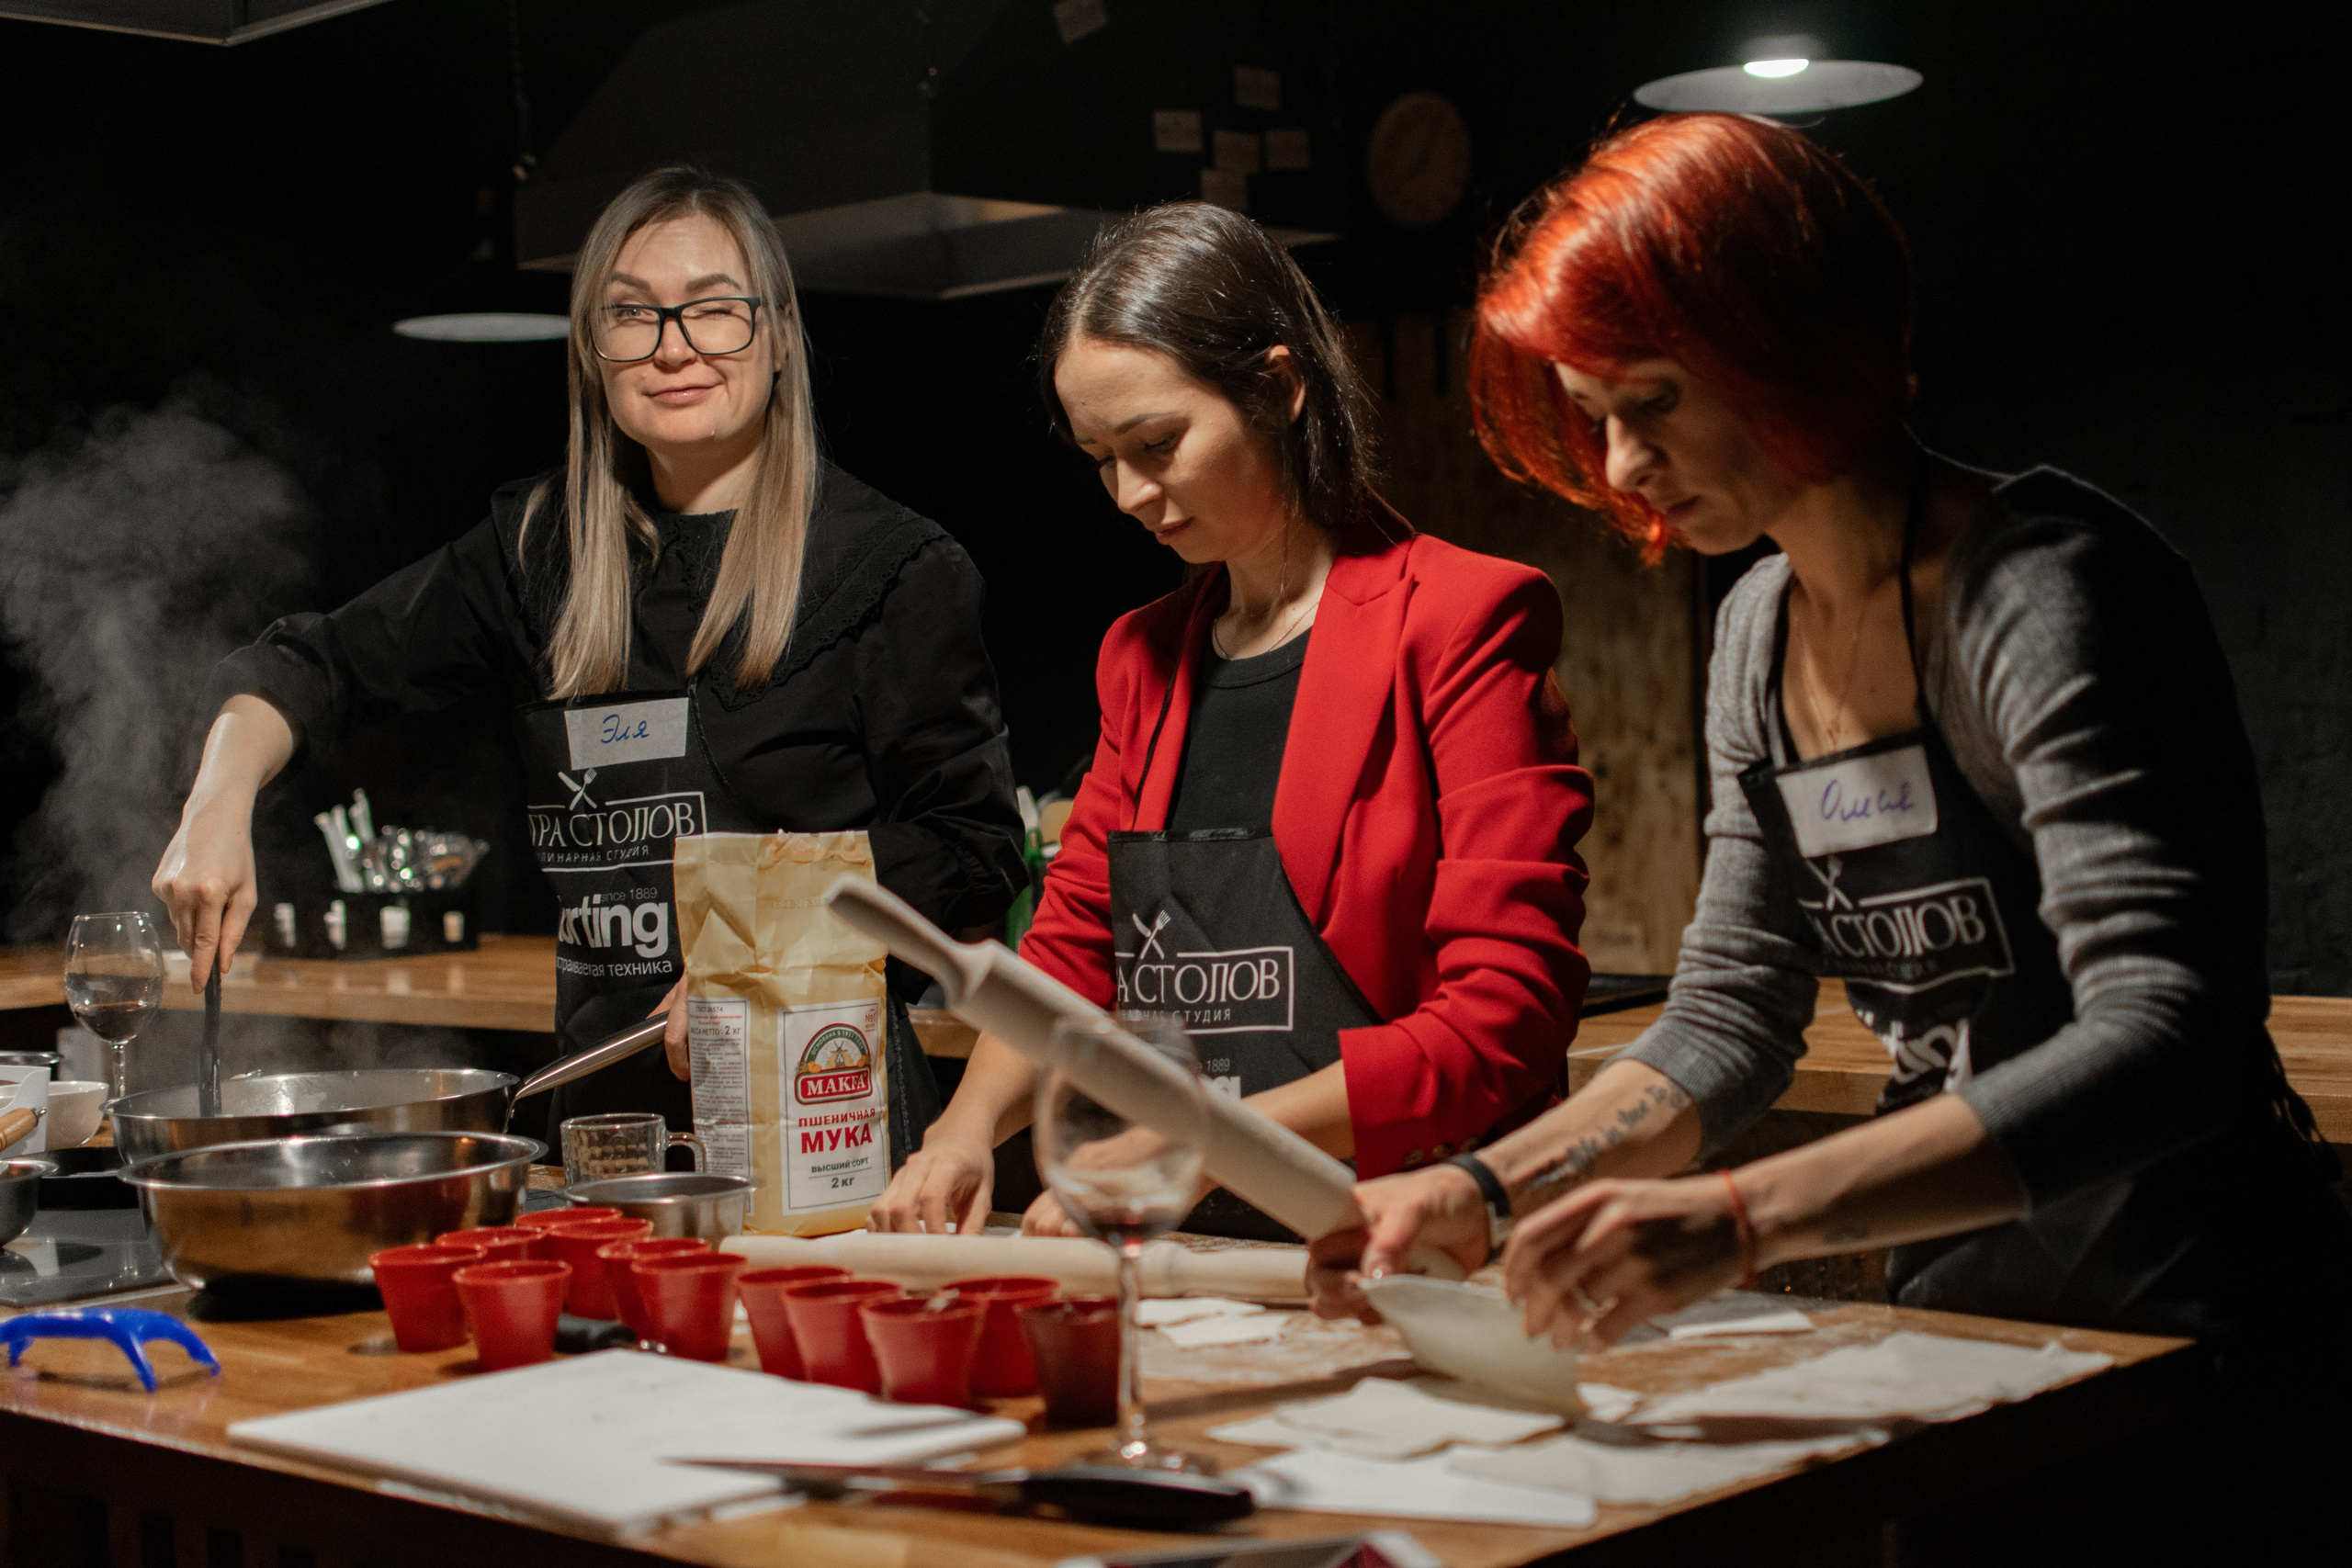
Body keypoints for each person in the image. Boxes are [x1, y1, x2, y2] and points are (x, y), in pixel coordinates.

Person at [1306, 115, 2352, 1529]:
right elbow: (1729, 1018)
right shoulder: (1756, 630)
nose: (1619, 467)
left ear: (1784, 347)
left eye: (1656, 402)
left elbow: (2170, 1033)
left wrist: (1747, 1217)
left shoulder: (2037, 594)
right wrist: (1486, 1187)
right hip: (1968, 1337)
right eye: (1595, 413)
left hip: (2180, 1346)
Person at [153, 167, 1026, 1151]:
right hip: (605, 1129)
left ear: (778, 335)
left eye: (712, 311)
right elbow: (311, 666)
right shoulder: (536, 551)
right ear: (591, 353)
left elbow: (972, 848)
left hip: (821, 1119)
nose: (672, 348)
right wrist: (214, 807)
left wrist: (784, 936)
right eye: (631, 316)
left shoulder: (891, 568)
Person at [869, 202, 1595, 1241]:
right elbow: (1074, 953)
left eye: (1157, 442)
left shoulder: (1460, 622)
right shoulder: (1142, 657)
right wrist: (963, 1129)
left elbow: (1504, 1022)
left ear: (1280, 386)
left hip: (1404, 1234)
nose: (1126, 493)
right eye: (1098, 456)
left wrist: (1208, 1141)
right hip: (1196, 1242)